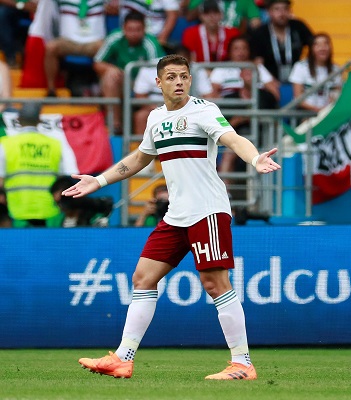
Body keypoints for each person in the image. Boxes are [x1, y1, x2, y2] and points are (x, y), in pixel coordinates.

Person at [66, 54, 281, 380]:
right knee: (143, 278)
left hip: (207, 210)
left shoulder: (205, 111)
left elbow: (232, 139)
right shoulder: (155, 119)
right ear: (159, 82)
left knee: (215, 284)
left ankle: (242, 363)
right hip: (177, 215)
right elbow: (140, 158)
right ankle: (122, 359)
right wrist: (97, 181)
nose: (178, 82)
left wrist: (254, 159)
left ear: (190, 80)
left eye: (183, 76)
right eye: (171, 77)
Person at [209, 35, 279, 179]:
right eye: (236, 48)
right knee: (231, 149)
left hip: (257, 116)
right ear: (230, 52)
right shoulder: (221, 69)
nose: (240, 52)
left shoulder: (256, 67)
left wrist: (253, 81)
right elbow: (212, 96)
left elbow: (275, 93)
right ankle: (226, 191)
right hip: (230, 115)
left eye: (244, 48)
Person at [0, 103, 76, 227]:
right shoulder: (55, 144)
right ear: (40, 120)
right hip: (49, 214)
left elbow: (0, 182)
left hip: (16, 213)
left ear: (18, 119)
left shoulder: (6, 144)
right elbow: (66, 180)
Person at [93, 10, 165, 135]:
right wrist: (110, 68)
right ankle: (115, 125)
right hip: (122, 80)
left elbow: (158, 72)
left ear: (144, 29)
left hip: (146, 86)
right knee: (109, 76)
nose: (134, 33)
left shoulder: (151, 43)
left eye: (138, 29)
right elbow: (97, 63)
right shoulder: (114, 38)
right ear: (123, 28)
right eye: (130, 29)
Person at [43, 0, 107, 97]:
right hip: (68, 41)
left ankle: (104, 91)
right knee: (51, 47)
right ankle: (51, 90)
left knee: (107, 49)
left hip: (94, 42)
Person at [249, 0, 313, 84]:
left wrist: (304, 70)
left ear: (290, 11)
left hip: (298, 79)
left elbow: (314, 45)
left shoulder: (298, 27)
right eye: (277, 9)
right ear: (269, 12)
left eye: (285, 9)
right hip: (269, 81)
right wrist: (269, 81)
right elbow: (258, 62)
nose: (282, 13)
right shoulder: (261, 33)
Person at [288, 32, 343, 113]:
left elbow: (338, 93)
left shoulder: (336, 69)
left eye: (326, 44)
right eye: (317, 45)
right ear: (311, 49)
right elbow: (298, 99)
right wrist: (317, 110)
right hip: (306, 112)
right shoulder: (300, 67)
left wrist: (329, 107)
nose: (322, 48)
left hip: (329, 113)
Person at [49, 175, 113, 227]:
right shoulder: (54, 221)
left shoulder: (94, 219)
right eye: (57, 203)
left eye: (63, 200)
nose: (60, 206)